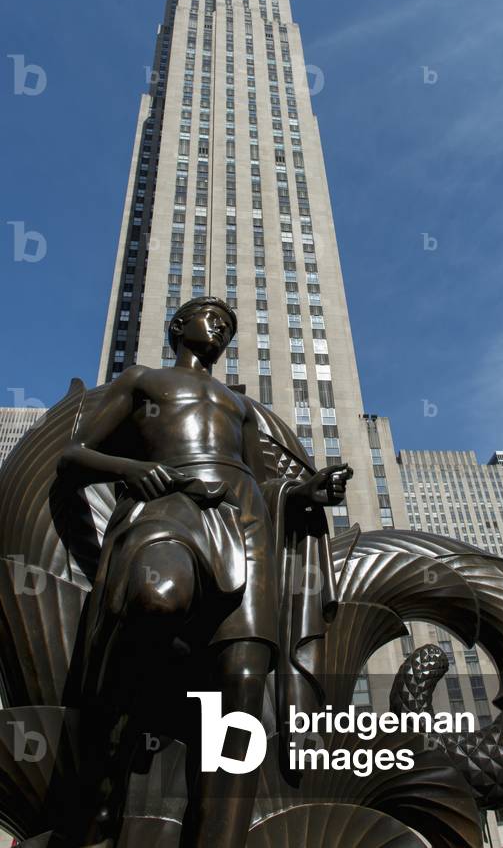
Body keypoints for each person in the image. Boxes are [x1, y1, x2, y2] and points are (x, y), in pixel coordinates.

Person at [57, 295, 352, 847]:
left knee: (242, 685)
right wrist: (135, 470)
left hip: (245, 522)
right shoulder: (142, 382)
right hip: (170, 502)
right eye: (211, 316)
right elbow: (73, 459)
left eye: (229, 324)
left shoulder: (238, 407)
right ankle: (106, 759)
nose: (221, 327)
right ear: (178, 326)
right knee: (156, 597)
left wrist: (305, 492)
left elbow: (262, 482)